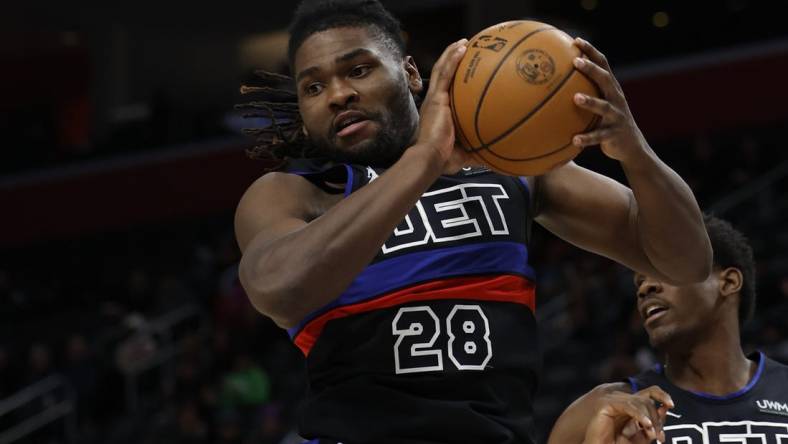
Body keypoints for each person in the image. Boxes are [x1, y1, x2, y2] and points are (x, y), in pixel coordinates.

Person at [234, 0, 712, 442]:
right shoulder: (293, 194)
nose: (338, 95)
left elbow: (685, 261)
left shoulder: (510, 169)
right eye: (313, 87)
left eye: (358, 69)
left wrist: (635, 151)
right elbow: (281, 290)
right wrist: (424, 160)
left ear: (411, 74)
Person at [548, 215, 788, 444]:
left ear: (728, 282)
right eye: (639, 281)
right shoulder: (598, 411)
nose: (645, 288)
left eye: (665, 270)